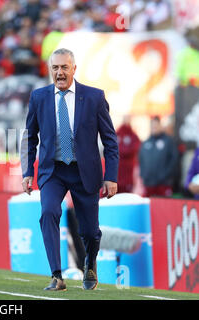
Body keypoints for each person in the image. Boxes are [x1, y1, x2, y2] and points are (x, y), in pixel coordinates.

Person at [21, 48, 119, 291]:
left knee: (89, 231)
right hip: (52, 172)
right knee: (49, 213)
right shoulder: (39, 97)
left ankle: (90, 263)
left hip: (84, 172)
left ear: (74, 69)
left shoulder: (94, 97)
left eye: (64, 67)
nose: (60, 72)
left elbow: (110, 140)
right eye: (55, 68)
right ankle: (57, 275)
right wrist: (27, 172)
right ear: (50, 70)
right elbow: (29, 137)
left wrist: (111, 177)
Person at [138, 116, 178, 197]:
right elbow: (141, 160)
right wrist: (143, 175)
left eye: (156, 125)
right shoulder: (146, 143)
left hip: (163, 184)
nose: (154, 127)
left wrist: (165, 175)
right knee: (149, 207)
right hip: (149, 184)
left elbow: (174, 159)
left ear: (160, 126)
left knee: (164, 207)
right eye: (152, 125)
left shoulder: (168, 141)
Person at [116, 115, 140, 193]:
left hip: (128, 173)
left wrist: (121, 150)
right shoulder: (117, 134)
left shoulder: (133, 136)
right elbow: (111, 149)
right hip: (116, 172)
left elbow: (134, 149)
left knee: (127, 196)